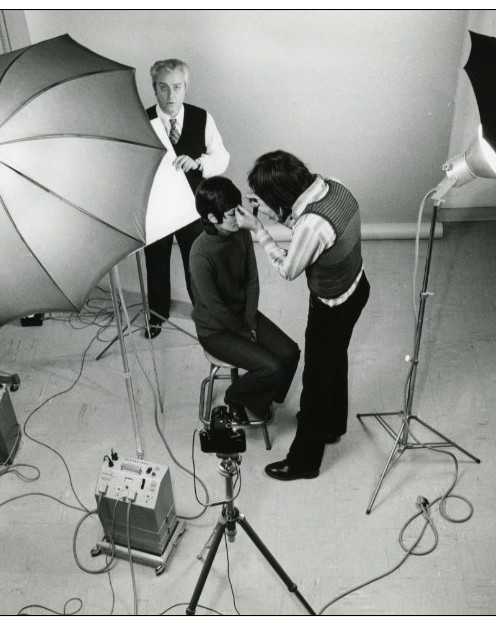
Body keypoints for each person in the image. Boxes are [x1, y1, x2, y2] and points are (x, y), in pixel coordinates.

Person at [236, 151, 370, 481]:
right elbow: (305, 223)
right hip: (357, 287)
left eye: (267, 199)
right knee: (336, 361)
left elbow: (288, 268)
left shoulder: (312, 225)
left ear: (282, 197)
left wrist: (259, 228)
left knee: (315, 380)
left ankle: (304, 461)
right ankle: (333, 425)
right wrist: (275, 213)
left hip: (331, 306)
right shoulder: (333, 185)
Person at [190, 176, 300, 424]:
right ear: (211, 218)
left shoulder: (239, 233)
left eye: (237, 210)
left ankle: (261, 399)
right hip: (215, 330)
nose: (239, 219)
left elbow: (252, 281)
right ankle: (235, 397)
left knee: (290, 353)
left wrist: (249, 322)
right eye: (231, 214)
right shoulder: (200, 254)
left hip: (243, 316)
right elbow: (215, 308)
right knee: (271, 368)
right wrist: (243, 331)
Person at [143, 59, 230, 338]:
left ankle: (203, 311)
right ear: (154, 88)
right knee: (156, 261)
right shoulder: (142, 120)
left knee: (196, 260)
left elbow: (222, 158)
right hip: (156, 207)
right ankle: (156, 314)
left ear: (186, 88)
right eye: (163, 87)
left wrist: (199, 163)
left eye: (177, 87)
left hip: (193, 206)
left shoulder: (202, 117)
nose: (171, 96)